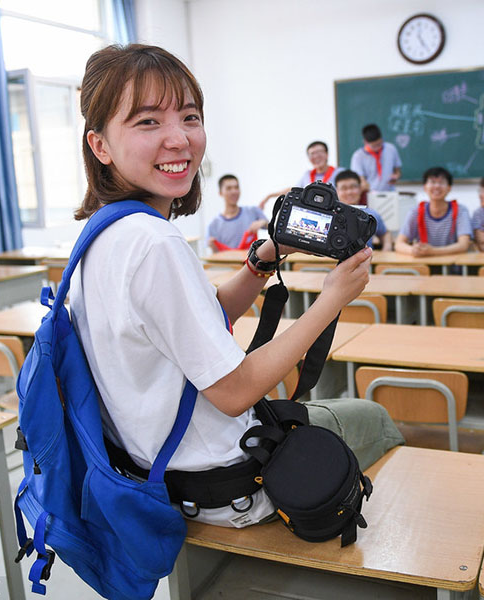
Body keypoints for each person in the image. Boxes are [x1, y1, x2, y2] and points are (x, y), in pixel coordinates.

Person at [72, 44, 403, 529]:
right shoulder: (154, 243)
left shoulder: (105, 230)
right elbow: (234, 392)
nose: (178, 139)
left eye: (189, 116)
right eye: (147, 122)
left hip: (151, 465)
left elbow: (199, 323)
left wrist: (261, 262)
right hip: (222, 482)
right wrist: (333, 298)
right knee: (373, 418)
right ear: (99, 144)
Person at [396, 166, 471, 256]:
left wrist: (433, 251)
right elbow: (399, 244)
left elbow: (463, 245)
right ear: (425, 187)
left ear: (449, 188)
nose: (437, 186)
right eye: (432, 182)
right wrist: (413, 250)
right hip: (424, 264)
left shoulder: (460, 211)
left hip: (452, 266)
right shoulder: (415, 211)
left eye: (441, 182)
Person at [259, 140, 342, 209]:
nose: (316, 156)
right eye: (312, 154)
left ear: (327, 154)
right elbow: (294, 189)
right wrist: (270, 196)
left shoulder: (340, 173)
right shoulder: (307, 175)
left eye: (319, 152)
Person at [334, 169, 392, 249]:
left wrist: (387, 250)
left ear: (360, 188)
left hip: (365, 259)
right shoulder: (331, 214)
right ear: (337, 191)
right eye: (344, 188)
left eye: (353, 187)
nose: (349, 192)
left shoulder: (371, 215)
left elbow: (385, 234)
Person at [207, 174, 267, 251]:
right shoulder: (213, 225)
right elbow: (215, 254)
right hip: (228, 262)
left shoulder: (252, 211)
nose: (234, 191)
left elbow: (272, 228)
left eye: (236, 187)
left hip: (250, 262)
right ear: (220, 193)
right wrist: (213, 246)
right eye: (229, 188)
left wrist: (263, 222)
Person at [349, 124, 402, 193]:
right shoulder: (358, 156)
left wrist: (396, 176)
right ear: (365, 142)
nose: (377, 148)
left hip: (390, 192)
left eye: (379, 144)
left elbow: (397, 170)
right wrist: (366, 186)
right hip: (369, 194)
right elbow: (360, 179)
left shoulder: (391, 148)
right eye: (374, 146)